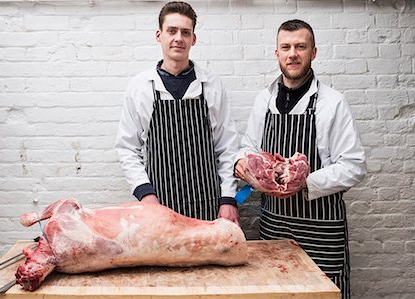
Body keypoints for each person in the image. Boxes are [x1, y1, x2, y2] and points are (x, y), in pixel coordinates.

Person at [234, 19, 366, 298]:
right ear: (277, 53)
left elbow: (354, 166)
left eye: (300, 47)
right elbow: (248, 147)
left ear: (313, 52)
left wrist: (304, 181)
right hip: (274, 227)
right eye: (286, 47)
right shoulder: (263, 100)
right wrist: (244, 163)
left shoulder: (332, 102)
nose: (292, 53)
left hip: (321, 233)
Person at [115, 1, 240, 225]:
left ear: (194, 39)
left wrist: (228, 199)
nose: (178, 38)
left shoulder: (211, 85)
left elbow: (227, 147)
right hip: (158, 206)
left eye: (185, 32)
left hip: (209, 205)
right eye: (171, 31)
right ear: (159, 35)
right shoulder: (140, 87)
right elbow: (127, 148)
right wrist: (146, 194)